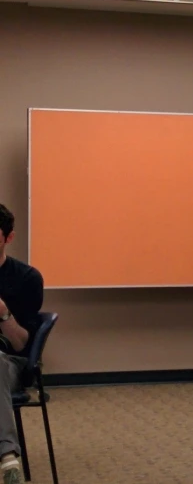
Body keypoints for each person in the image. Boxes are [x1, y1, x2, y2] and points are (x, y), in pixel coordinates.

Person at [0, 204, 44, 484]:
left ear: (8, 238)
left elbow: (21, 344)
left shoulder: (27, 278)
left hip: (10, 361)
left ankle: (6, 456)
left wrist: (3, 313)